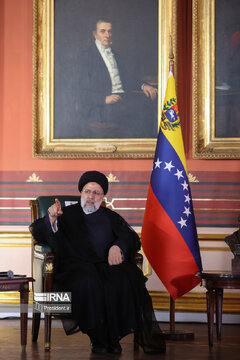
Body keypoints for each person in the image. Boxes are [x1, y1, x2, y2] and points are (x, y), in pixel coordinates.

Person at [29, 171, 166, 355]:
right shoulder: (65, 214)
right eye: (87, 191)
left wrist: (118, 247)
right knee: (88, 282)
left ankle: (113, 338)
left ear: (103, 197)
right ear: (81, 193)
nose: (91, 196)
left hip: (106, 266)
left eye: (96, 193)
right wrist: (52, 218)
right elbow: (38, 232)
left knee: (127, 279)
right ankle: (99, 338)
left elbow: (130, 237)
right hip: (75, 267)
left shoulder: (110, 216)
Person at [76, 20, 158, 138]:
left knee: (148, 109)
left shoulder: (116, 55)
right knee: (141, 114)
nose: (107, 35)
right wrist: (104, 99)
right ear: (95, 34)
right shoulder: (86, 56)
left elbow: (128, 79)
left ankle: (147, 149)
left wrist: (144, 86)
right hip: (101, 107)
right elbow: (79, 90)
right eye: (103, 31)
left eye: (109, 31)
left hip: (122, 100)